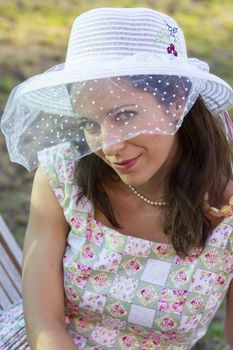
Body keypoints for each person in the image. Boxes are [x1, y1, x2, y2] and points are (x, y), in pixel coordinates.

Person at [0, 7, 233, 350]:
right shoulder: (61, 179)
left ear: (176, 102)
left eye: (125, 115)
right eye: (90, 124)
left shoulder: (227, 210)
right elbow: (45, 325)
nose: (109, 145)